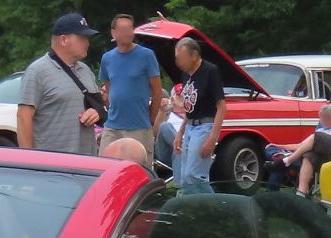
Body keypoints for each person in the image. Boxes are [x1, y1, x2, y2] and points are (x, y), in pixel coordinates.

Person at [17, 13, 102, 156]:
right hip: (53, 164)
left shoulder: (86, 70)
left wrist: (96, 112)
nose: (87, 43)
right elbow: (23, 117)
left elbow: (98, 105)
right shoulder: (37, 71)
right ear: (64, 40)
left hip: (87, 161)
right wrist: (28, 159)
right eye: (82, 38)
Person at [97, 15, 163, 159]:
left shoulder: (146, 55)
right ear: (113, 33)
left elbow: (157, 91)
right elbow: (109, 88)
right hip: (112, 125)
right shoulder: (107, 58)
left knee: (138, 170)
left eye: (130, 29)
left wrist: (151, 118)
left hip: (139, 126)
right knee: (104, 165)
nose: (127, 33)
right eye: (123, 29)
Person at [171, 38, 224, 193]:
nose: (178, 62)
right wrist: (180, 132)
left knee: (194, 175)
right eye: (176, 58)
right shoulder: (186, 75)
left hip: (205, 126)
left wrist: (212, 138)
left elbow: (221, 107)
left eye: (181, 58)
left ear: (194, 55)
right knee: (185, 178)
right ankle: (191, 210)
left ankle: (215, 207)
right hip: (190, 126)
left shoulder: (210, 71)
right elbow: (190, 109)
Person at [265, 103, 331, 195]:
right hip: (304, 157)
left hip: (324, 159)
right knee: (271, 149)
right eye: (322, 118)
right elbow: (300, 146)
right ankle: (282, 161)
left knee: (313, 144)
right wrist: (279, 146)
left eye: (327, 118)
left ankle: (285, 161)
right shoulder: (319, 131)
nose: (323, 121)